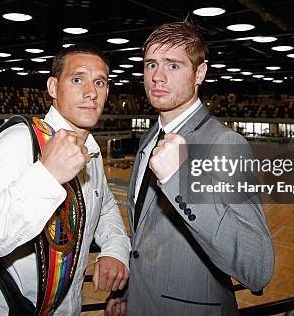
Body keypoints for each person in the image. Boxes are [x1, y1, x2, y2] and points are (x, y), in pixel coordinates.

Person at [0, 44, 130, 315]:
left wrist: (115, 249)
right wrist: (46, 177)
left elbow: (106, 206)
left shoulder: (92, 151)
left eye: (100, 82)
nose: (91, 92)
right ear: (53, 87)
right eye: (78, 79)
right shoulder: (19, 141)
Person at [106, 21, 274, 316]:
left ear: (200, 73)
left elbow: (257, 266)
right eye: (151, 65)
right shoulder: (151, 136)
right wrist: (129, 291)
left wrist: (179, 178)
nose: (157, 77)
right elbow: (145, 237)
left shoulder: (224, 143)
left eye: (173, 66)